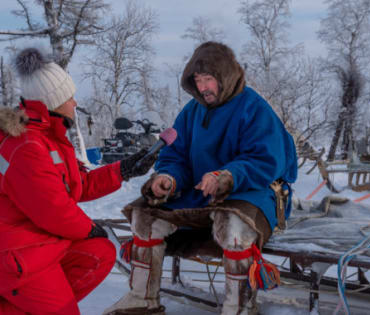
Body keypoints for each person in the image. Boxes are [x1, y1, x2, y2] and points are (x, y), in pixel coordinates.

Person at [104, 41, 297, 315]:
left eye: (209, 80)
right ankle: (142, 298)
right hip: (200, 194)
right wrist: (168, 179)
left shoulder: (254, 108)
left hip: (250, 192)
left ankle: (239, 307)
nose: (203, 87)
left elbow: (266, 160)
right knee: (145, 216)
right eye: (198, 80)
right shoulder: (191, 112)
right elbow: (175, 156)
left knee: (232, 226)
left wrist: (226, 175)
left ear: (225, 78)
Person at [0, 47, 156, 315]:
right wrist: (88, 227)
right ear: (54, 101)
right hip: (16, 253)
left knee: (99, 252)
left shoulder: (48, 138)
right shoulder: (28, 147)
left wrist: (123, 170)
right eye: (69, 96)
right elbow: (54, 210)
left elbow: (76, 185)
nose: (74, 102)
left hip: (36, 241)